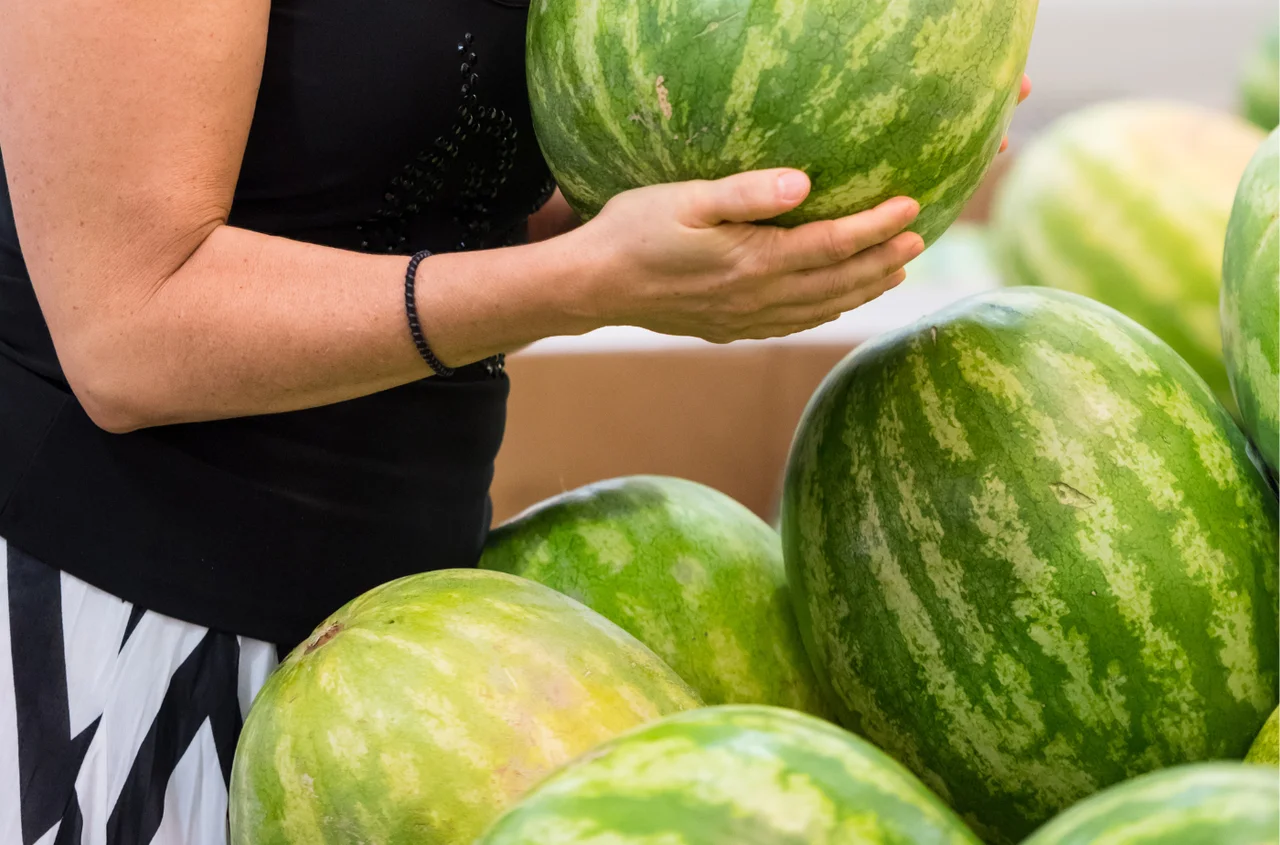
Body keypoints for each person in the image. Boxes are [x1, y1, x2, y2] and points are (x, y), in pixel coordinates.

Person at [0, 0, 1031, 839]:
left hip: (406, 643)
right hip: (127, 637)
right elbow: (127, 333)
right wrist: (583, 280)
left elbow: (428, 194)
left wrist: (850, 132)